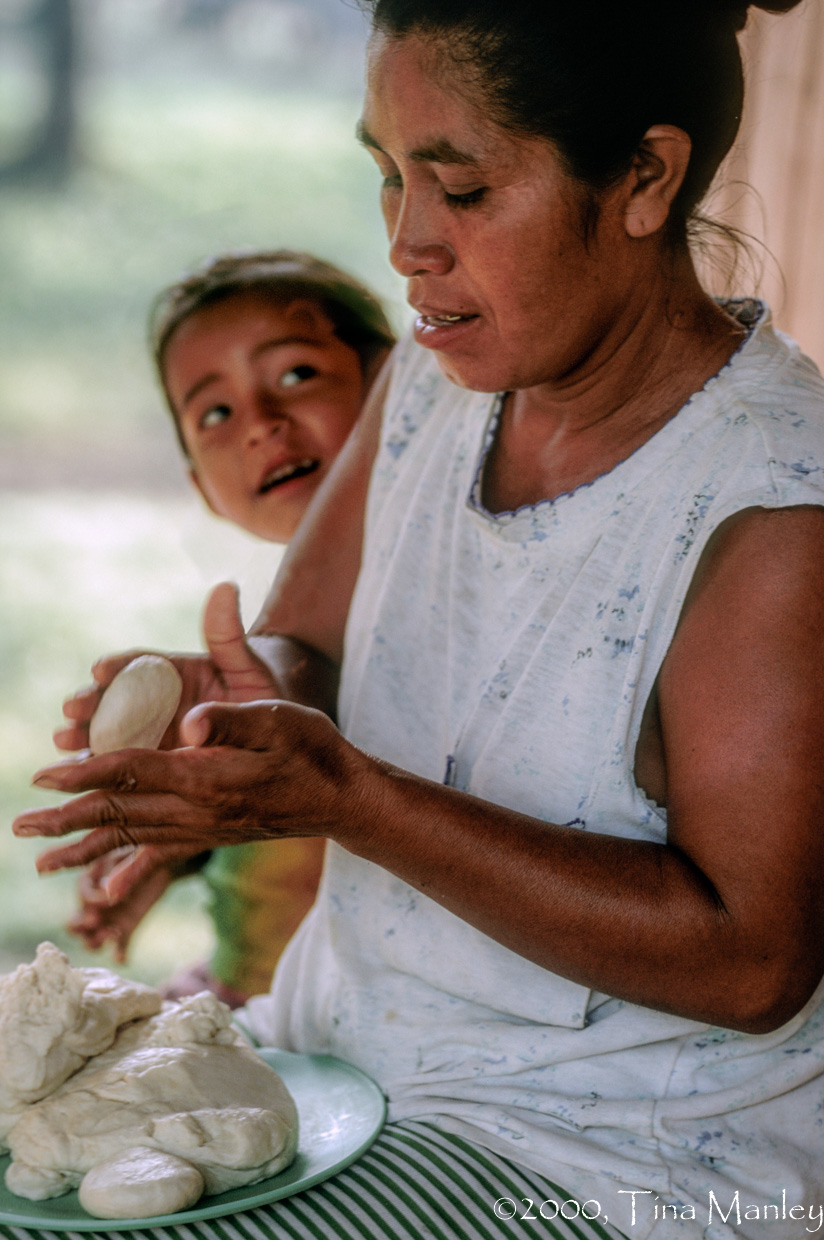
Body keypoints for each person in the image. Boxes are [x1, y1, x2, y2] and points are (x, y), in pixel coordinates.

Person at [15, 2, 824, 1237]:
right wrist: (222, 694)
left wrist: (350, 798)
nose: (403, 244)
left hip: (608, 1152)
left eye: (459, 189)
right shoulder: (441, 375)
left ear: (645, 178)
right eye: (386, 176)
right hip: (341, 1051)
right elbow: (307, 649)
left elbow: (749, 961)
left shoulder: (772, 508)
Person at [67, 249, 395, 1006]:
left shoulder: (442, 601)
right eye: (215, 414)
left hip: (352, 1034)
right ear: (200, 489)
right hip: (241, 997)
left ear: (392, 392)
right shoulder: (247, 647)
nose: (262, 425)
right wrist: (174, 847)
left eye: (297, 375)